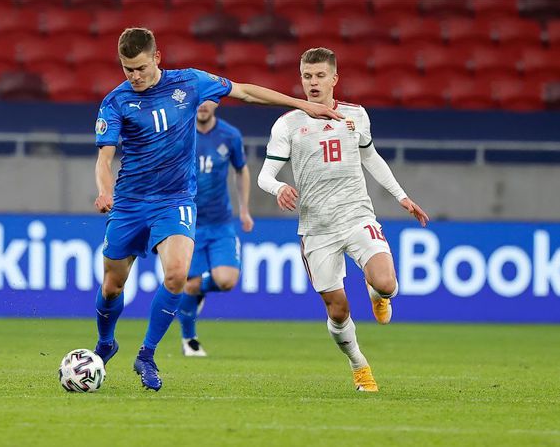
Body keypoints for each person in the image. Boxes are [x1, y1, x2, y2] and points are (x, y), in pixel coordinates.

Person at [93, 28, 342, 391]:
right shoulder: (115, 101)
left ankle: (146, 355)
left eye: (141, 68)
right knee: (113, 286)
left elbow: (245, 91)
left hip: (175, 200)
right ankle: (105, 343)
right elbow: (105, 158)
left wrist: (302, 105)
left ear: (157, 59)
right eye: (127, 69)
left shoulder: (190, 83)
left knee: (177, 275)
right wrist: (104, 191)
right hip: (130, 202)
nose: (134, 76)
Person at [257, 47, 429, 392]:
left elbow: (372, 158)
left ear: (334, 78)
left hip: (356, 215)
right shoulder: (288, 124)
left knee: (386, 283)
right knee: (337, 311)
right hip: (317, 229)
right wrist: (278, 188)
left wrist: (402, 197)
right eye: (307, 76)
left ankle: (377, 295)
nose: (313, 82)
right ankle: (359, 365)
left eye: (320, 75)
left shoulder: (356, 115)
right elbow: (265, 175)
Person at [177, 101, 254, 357]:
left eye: (208, 101)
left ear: (216, 104)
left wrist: (244, 209)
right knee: (189, 284)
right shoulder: (180, 132)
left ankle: (197, 291)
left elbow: (241, 170)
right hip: (189, 223)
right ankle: (190, 340)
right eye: (199, 101)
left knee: (226, 281)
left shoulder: (230, 135)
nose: (203, 106)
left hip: (221, 222)